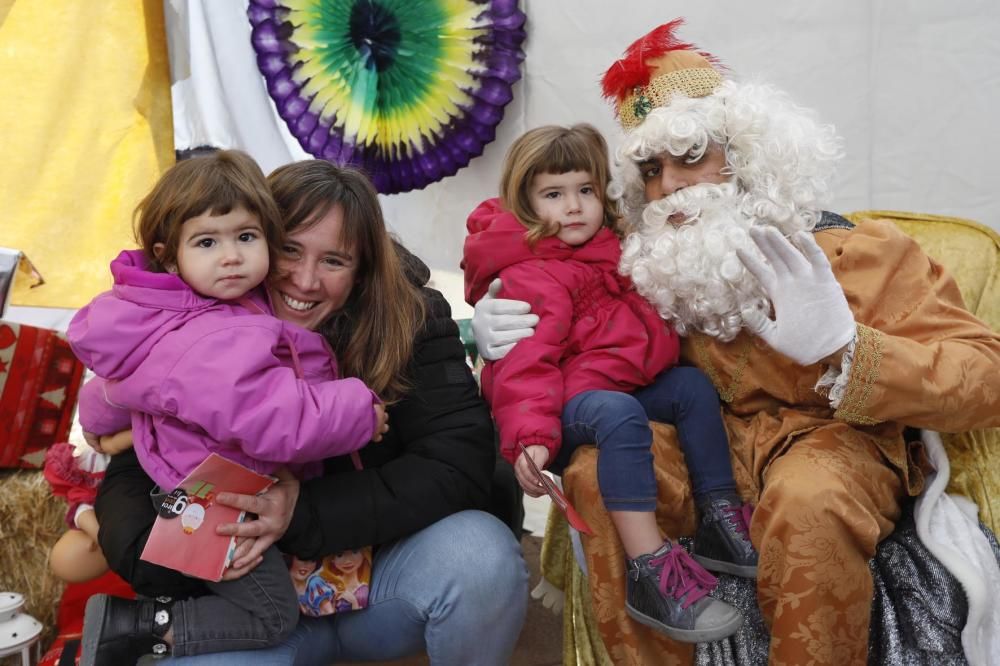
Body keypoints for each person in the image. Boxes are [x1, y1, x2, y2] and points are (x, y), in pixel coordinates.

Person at [472, 19, 1000, 664]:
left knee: (810, 498)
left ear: (747, 155)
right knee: (593, 475)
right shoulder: (643, 269)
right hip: (700, 447)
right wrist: (500, 323)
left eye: (691, 156)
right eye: (651, 168)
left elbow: (986, 377)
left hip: (828, 441)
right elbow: (539, 269)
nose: (669, 186)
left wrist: (846, 346)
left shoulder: (859, 251)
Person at [90, 159, 528, 665]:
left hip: (378, 590)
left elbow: (457, 462)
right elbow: (132, 467)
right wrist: (179, 556)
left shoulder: (411, 319)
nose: (304, 280)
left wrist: (299, 512)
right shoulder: (196, 323)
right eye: (289, 250)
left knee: (480, 555)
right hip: (248, 609)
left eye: (334, 261)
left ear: (363, 268)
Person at [68, 150, 389, 663]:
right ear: (169, 256)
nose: (232, 256)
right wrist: (358, 410)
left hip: (200, 484)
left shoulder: (189, 307)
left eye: (246, 237)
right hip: (213, 497)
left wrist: (101, 416)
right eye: (207, 242)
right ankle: (135, 629)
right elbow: (273, 417)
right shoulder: (215, 333)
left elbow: (118, 384)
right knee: (271, 616)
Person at [463, 124, 755, 643]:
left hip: (616, 384)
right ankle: (651, 570)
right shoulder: (535, 274)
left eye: (585, 191)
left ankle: (718, 517)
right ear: (527, 203)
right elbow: (525, 364)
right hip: (566, 406)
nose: (573, 207)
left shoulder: (607, 249)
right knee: (618, 415)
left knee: (690, 387)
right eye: (554, 195)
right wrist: (529, 436)